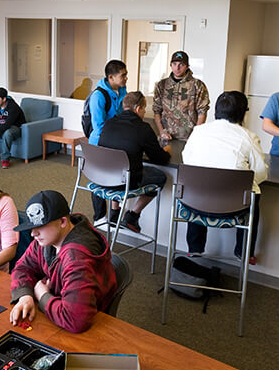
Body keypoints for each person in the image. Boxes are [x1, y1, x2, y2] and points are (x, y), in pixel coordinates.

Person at [9, 190, 117, 333]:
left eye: (40, 226)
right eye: (31, 227)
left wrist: (42, 295)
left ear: (63, 222)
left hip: (90, 330)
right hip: (56, 313)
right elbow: (22, 267)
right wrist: (25, 295)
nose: (33, 234)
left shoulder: (77, 258)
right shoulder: (46, 239)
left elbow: (75, 320)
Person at [182, 91, 268, 264]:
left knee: (198, 185)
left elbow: (187, 160)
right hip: (232, 207)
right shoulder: (249, 137)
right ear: (243, 113)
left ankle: (195, 248)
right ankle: (243, 252)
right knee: (253, 194)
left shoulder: (198, 131)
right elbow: (259, 174)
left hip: (195, 204)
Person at [97, 91, 171, 233]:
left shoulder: (109, 123)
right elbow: (160, 159)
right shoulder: (143, 128)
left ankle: (114, 212)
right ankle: (132, 215)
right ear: (137, 108)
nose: (144, 112)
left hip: (103, 177)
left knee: (117, 167)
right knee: (159, 177)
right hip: (126, 182)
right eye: (144, 109)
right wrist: (167, 150)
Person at [152, 50, 211, 144]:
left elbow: (202, 111)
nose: (177, 68)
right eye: (174, 64)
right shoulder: (162, 85)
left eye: (181, 64)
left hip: (189, 138)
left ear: (187, 66)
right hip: (167, 137)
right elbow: (157, 110)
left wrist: (196, 134)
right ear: (170, 65)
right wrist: (161, 131)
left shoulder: (197, 85)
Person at [87, 59, 128, 145]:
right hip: (100, 142)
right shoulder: (98, 96)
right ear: (111, 77)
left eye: (126, 74)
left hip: (116, 139)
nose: (126, 78)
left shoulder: (123, 92)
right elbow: (99, 127)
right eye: (123, 75)